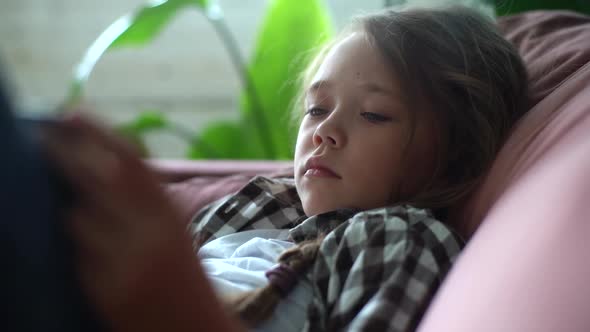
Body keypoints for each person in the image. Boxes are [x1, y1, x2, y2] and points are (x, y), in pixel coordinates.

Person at [41, 4, 528, 332]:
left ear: (454, 152)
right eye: (317, 110)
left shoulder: (397, 236)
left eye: (374, 114)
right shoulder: (260, 204)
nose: (324, 132)